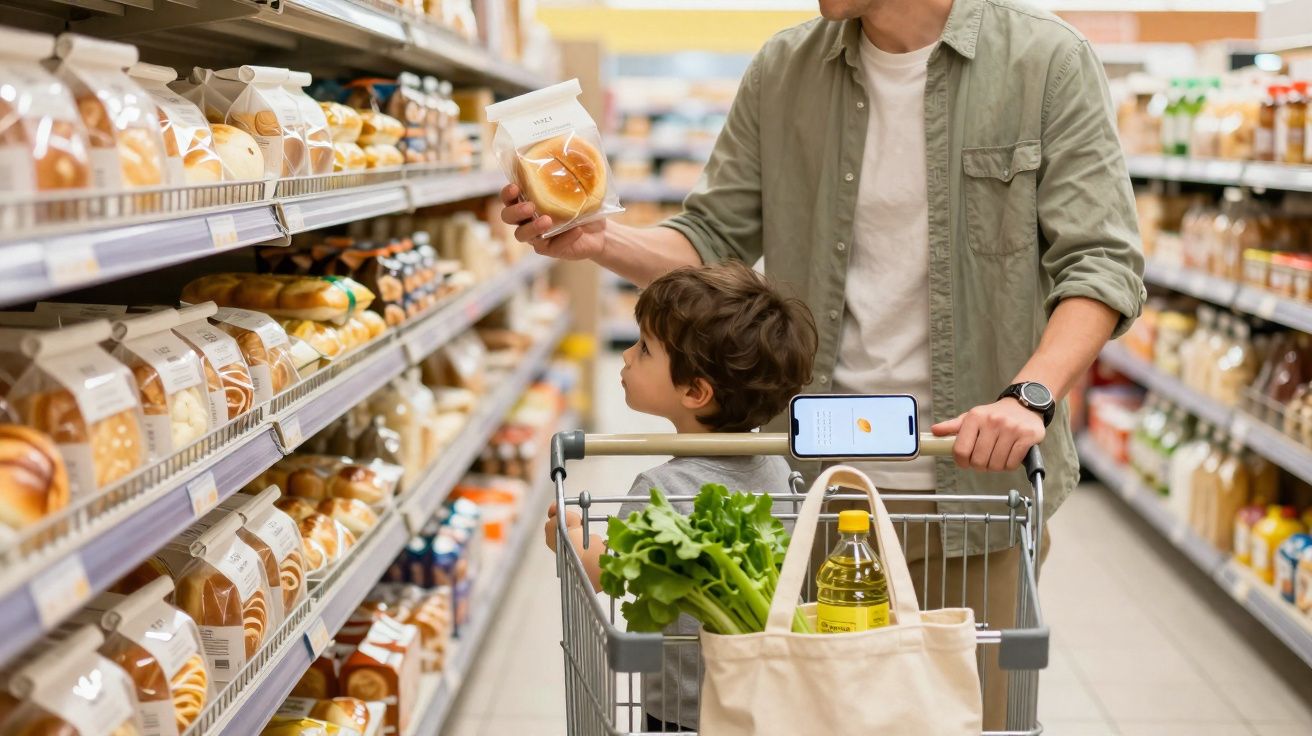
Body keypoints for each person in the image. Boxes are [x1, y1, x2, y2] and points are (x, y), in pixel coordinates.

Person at [511, 0, 1146, 727]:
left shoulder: (1044, 62)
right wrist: (598, 241)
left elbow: (1100, 261)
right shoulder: (786, 70)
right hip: (800, 498)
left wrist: (1028, 396)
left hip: (968, 490)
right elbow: (712, 235)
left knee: (967, 716)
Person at [545, 261, 818, 732]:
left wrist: (567, 532)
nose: (627, 356)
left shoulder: (664, 488)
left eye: (645, 349)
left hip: (684, 708)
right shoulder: (778, 468)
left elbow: (609, 569)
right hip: (765, 696)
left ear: (695, 390)